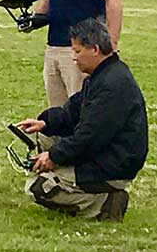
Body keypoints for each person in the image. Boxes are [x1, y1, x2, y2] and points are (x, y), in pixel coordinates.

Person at [14, 18, 147, 220]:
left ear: (94, 49)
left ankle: (105, 204)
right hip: (99, 153)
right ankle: (75, 184)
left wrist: (54, 157)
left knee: (39, 188)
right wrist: (45, 123)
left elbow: (90, 138)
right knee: (42, 137)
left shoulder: (113, 85)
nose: (74, 58)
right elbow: (73, 111)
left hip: (112, 164)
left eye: (77, 51)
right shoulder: (100, 76)